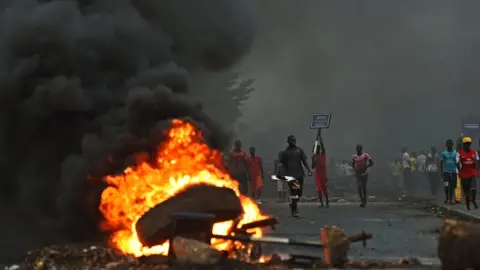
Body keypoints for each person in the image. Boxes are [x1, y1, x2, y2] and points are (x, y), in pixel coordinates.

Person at [280, 135, 313, 217]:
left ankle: (293, 205)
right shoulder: (285, 153)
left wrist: (309, 170)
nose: (294, 142)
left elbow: (304, 161)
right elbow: (283, 165)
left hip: (299, 174)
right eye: (292, 140)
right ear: (288, 141)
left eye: (294, 140)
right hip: (290, 175)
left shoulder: (299, 150)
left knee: (299, 194)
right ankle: (294, 210)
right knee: (294, 192)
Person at [457, 137, 479, 210]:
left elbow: (477, 161)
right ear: (463, 144)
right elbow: (457, 162)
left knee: (473, 188)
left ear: (470, 144)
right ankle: (468, 205)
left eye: (468, 143)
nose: (467, 145)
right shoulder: (459, 153)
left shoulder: (474, 152)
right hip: (464, 173)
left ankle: (473, 201)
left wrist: (477, 171)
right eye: (465, 144)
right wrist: (459, 171)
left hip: (473, 172)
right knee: (466, 190)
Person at [312, 135, 328, 208]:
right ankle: (322, 203)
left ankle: (327, 202)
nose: (316, 150)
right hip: (318, 176)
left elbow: (323, 147)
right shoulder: (314, 157)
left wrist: (320, 138)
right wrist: (313, 161)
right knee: (319, 190)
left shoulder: (322, 155)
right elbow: (313, 167)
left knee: (325, 190)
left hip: (323, 175)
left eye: (317, 149)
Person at [440, 140, 458, 205]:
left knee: (452, 186)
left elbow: (457, 162)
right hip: (446, 172)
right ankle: (446, 197)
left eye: (450, 143)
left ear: (452, 145)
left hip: (453, 171)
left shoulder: (455, 153)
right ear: (446, 145)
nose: (449, 145)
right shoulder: (443, 153)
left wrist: (459, 170)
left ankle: (450, 200)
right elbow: (441, 163)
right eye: (448, 143)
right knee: (446, 185)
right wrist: (441, 172)